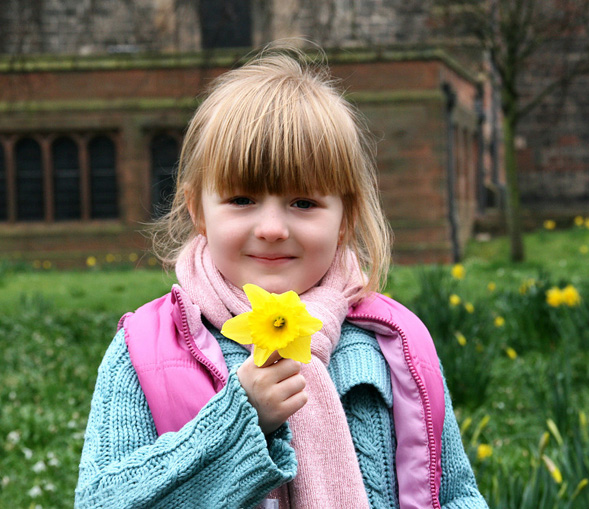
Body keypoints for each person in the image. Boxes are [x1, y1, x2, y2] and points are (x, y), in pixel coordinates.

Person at [75, 44, 488, 509]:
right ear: (198, 211)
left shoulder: (394, 345)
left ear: (345, 217)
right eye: (242, 200)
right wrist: (238, 422)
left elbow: (454, 494)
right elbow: (100, 501)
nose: (272, 229)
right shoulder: (145, 352)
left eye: (304, 203)